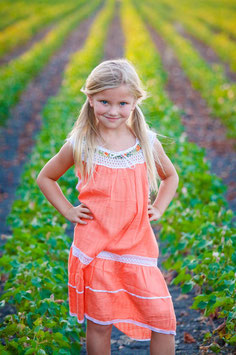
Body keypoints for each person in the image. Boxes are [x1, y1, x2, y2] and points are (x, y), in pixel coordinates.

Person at [37, 58, 179, 355]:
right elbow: (46, 177)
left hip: (138, 247)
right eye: (104, 101)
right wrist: (68, 210)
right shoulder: (81, 143)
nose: (113, 111)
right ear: (90, 99)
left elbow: (171, 177)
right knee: (99, 325)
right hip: (96, 249)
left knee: (163, 320)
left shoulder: (146, 142)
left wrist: (160, 207)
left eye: (122, 103)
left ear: (135, 102)